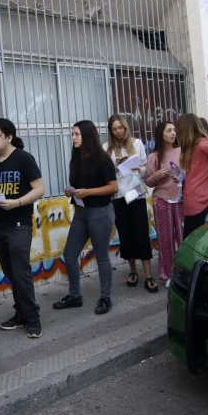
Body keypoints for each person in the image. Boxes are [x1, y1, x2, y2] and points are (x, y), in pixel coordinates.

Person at [0, 118, 46, 336]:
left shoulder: (23, 159)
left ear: (9, 137)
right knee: (10, 272)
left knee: (21, 272)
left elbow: (39, 189)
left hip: (19, 224)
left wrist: (17, 202)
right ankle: (21, 314)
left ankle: (33, 318)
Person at [53, 120, 119, 315]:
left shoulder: (102, 158)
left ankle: (105, 298)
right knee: (70, 254)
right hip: (81, 213)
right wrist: (70, 192)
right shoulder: (76, 157)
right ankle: (75, 296)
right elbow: (79, 184)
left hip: (100, 212)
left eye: (77, 134)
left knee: (102, 256)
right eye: (72, 134)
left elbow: (113, 187)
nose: (73, 138)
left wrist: (88, 192)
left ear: (87, 135)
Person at [104, 114, 155, 292]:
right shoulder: (107, 148)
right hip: (118, 195)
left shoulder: (137, 144)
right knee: (125, 234)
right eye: (114, 129)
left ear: (126, 128)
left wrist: (138, 169)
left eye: (121, 128)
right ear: (111, 131)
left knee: (141, 232)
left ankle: (148, 274)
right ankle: (133, 270)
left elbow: (146, 168)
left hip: (136, 192)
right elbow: (105, 173)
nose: (118, 132)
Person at [144, 121, 183, 282]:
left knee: (183, 238)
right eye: (169, 131)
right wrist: (156, 176)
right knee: (165, 239)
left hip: (182, 200)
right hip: (162, 199)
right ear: (161, 134)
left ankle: (184, 273)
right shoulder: (153, 156)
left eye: (174, 130)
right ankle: (168, 274)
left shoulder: (183, 151)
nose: (173, 133)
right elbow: (148, 182)